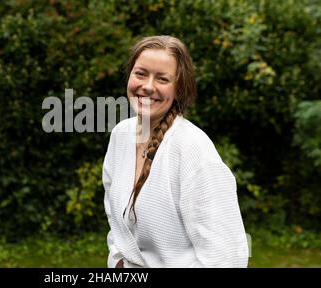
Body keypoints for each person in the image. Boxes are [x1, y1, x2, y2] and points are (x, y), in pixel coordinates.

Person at [102, 35, 249, 268]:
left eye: (162, 79)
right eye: (140, 73)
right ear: (129, 75)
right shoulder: (121, 135)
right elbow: (116, 219)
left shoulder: (192, 149)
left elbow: (226, 256)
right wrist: (119, 259)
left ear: (179, 89)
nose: (148, 86)